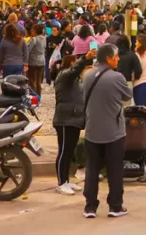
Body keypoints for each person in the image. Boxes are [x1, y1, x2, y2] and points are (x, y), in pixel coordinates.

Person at [81, 43, 132, 218]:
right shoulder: (117, 77)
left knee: (92, 169)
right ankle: (115, 206)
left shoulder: (87, 75)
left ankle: (90, 207)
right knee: (115, 169)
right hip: (113, 132)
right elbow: (127, 95)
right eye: (116, 56)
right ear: (108, 58)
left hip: (92, 131)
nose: (118, 59)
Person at [53, 52, 93, 196]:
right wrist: (86, 58)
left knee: (69, 152)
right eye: (75, 62)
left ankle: (66, 180)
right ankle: (61, 183)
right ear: (71, 64)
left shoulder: (76, 82)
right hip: (64, 120)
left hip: (74, 120)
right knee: (63, 152)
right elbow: (75, 70)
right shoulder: (64, 76)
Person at [26, 24, 47, 94]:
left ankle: (33, 98)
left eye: (32, 29)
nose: (31, 31)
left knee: (32, 81)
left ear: (35, 30)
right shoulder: (44, 38)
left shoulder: (34, 39)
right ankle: (39, 97)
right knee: (38, 82)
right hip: (42, 61)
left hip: (33, 62)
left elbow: (27, 49)